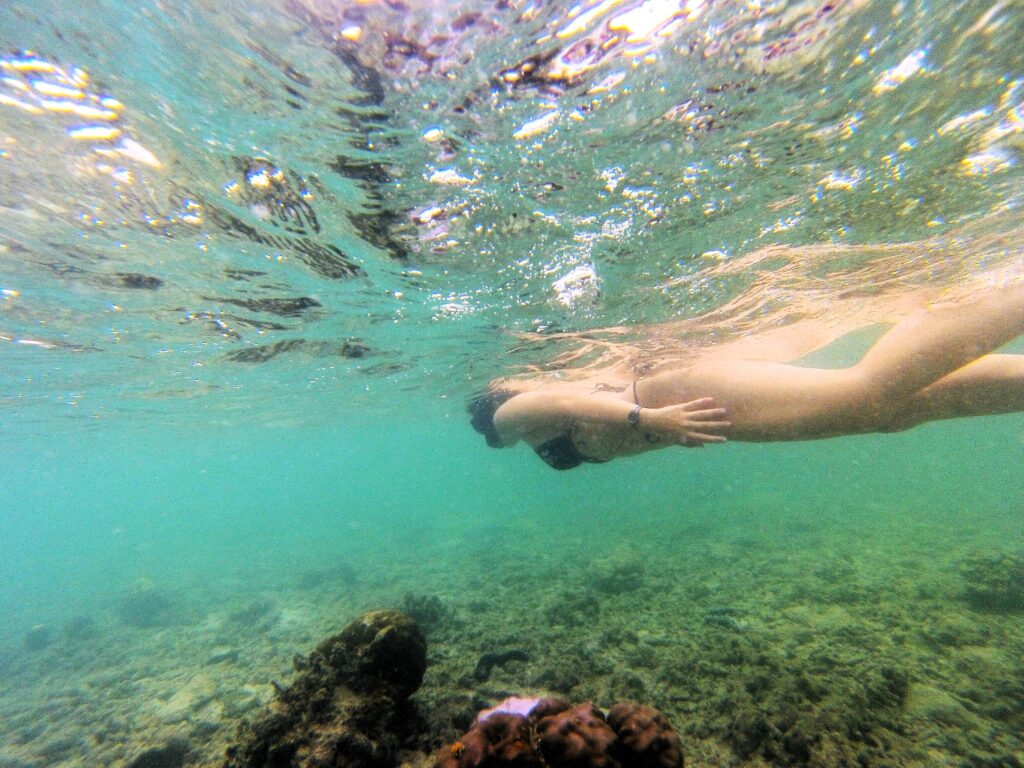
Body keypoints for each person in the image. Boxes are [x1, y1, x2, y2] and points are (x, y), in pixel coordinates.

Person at [469, 284, 1024, 470]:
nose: (493, 441)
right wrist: (654, 426)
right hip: (694, 408)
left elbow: (568, 398)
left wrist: (649, 418)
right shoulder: (544, 415)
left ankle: (1007, 293)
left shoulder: (507, 416)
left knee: (867, 393)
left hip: (679, 398)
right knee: (900, 410)